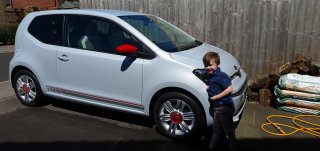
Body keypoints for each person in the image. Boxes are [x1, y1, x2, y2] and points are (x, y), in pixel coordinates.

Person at [202, 52, 236, 151]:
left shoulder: (221, 76)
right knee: (216, 129)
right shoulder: (211, 75)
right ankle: (212, 147)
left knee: (228, 130)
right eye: (206, 65)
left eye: (211, 65)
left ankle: (233, 147)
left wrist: (217, 97)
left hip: (224, 107)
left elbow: (230, 89)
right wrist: (209, 87)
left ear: (217, 64)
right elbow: (208, 78)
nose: (208, 68)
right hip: (217, 108)